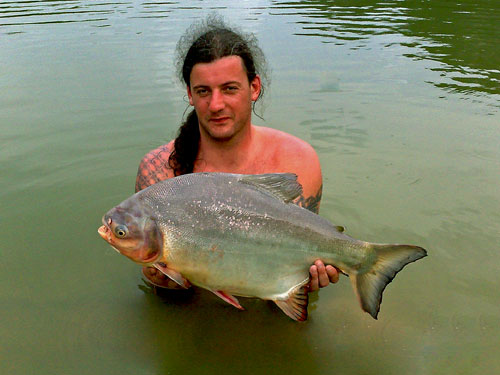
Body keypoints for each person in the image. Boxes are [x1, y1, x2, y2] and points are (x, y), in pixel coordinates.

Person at [135, 16, 339, 293]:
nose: (216, 104)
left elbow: (303, 253)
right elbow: (154, 271)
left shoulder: (298, 160)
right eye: (203, 91)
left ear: (254, 88)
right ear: (190, 95)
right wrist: (160, 281)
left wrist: (309, 279)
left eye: (229, 89)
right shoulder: (159, 169)